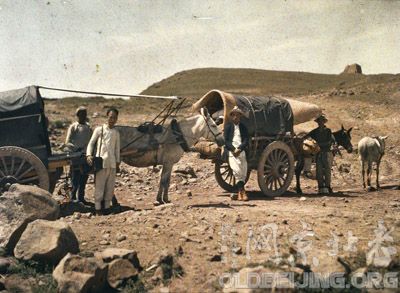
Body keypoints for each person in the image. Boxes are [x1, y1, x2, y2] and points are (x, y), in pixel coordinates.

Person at [87, 108, 120, 215]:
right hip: (100, 162)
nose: (112, 119)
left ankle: (106, 208)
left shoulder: (116, 133)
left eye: (114, 118)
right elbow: (91, 143)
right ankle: (97, 209)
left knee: (110, 187)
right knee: (99, 186)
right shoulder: (99, 129)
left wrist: (118, 161)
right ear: (107, 117)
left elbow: (117, 149)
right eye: (110, 117)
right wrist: (88, 155)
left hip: (112, 163)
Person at [65, 106, 92, 204]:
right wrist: (76, 149)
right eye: (81, 115)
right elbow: (67, 142)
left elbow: (91, 141)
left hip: (86, 156)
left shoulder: (88, 127)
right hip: (76, 156)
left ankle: (81, 198)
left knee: (84, 178)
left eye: (84, 114)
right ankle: (72, 198)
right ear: (77, 115)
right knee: (75, 178)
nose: (83, 116)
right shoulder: (74, 126)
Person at [305, 114, 337, 194]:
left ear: (324, 122)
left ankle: (327, 186)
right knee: (319, 170)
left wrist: (318, 144)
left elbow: (329, 141)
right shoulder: (315, 131)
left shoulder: (328, 131)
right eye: (319, 121)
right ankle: (321, 187)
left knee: (327, 170)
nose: (320, 123)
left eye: (321, 121)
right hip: (318, 153)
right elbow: (308, 136)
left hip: (326, 152)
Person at [224, 106, 249, 201]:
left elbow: (246, 140)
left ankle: (240, 191)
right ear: (231, 116)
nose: (235, 117)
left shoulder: (243, 127)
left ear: (240, 116)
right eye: (234, 115)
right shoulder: (228, 127)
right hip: (232, 151)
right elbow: (226, 141)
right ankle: (242, 192)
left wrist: (240, 148)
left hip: (241, 150)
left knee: (243, 171)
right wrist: (233, 149)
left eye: (237, 115)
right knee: (237, 170)